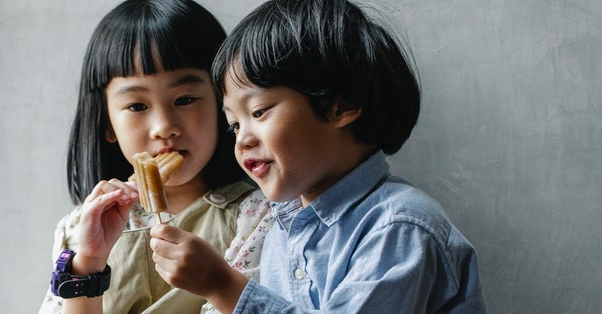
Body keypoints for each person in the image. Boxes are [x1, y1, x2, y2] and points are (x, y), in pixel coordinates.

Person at [149, 0, 488, 312]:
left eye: (260, 111)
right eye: (234, 125)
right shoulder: (280, 230)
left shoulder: (398, 227)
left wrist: (224, 286)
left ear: (341, 104)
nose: (243, 140)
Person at [38, 0, 272, 313]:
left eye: (185, 99)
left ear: (223, 106)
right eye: (137, 106)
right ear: (107, 124)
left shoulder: (260, 216)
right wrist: (89, 264)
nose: (164, 127)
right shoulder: (79, 228)